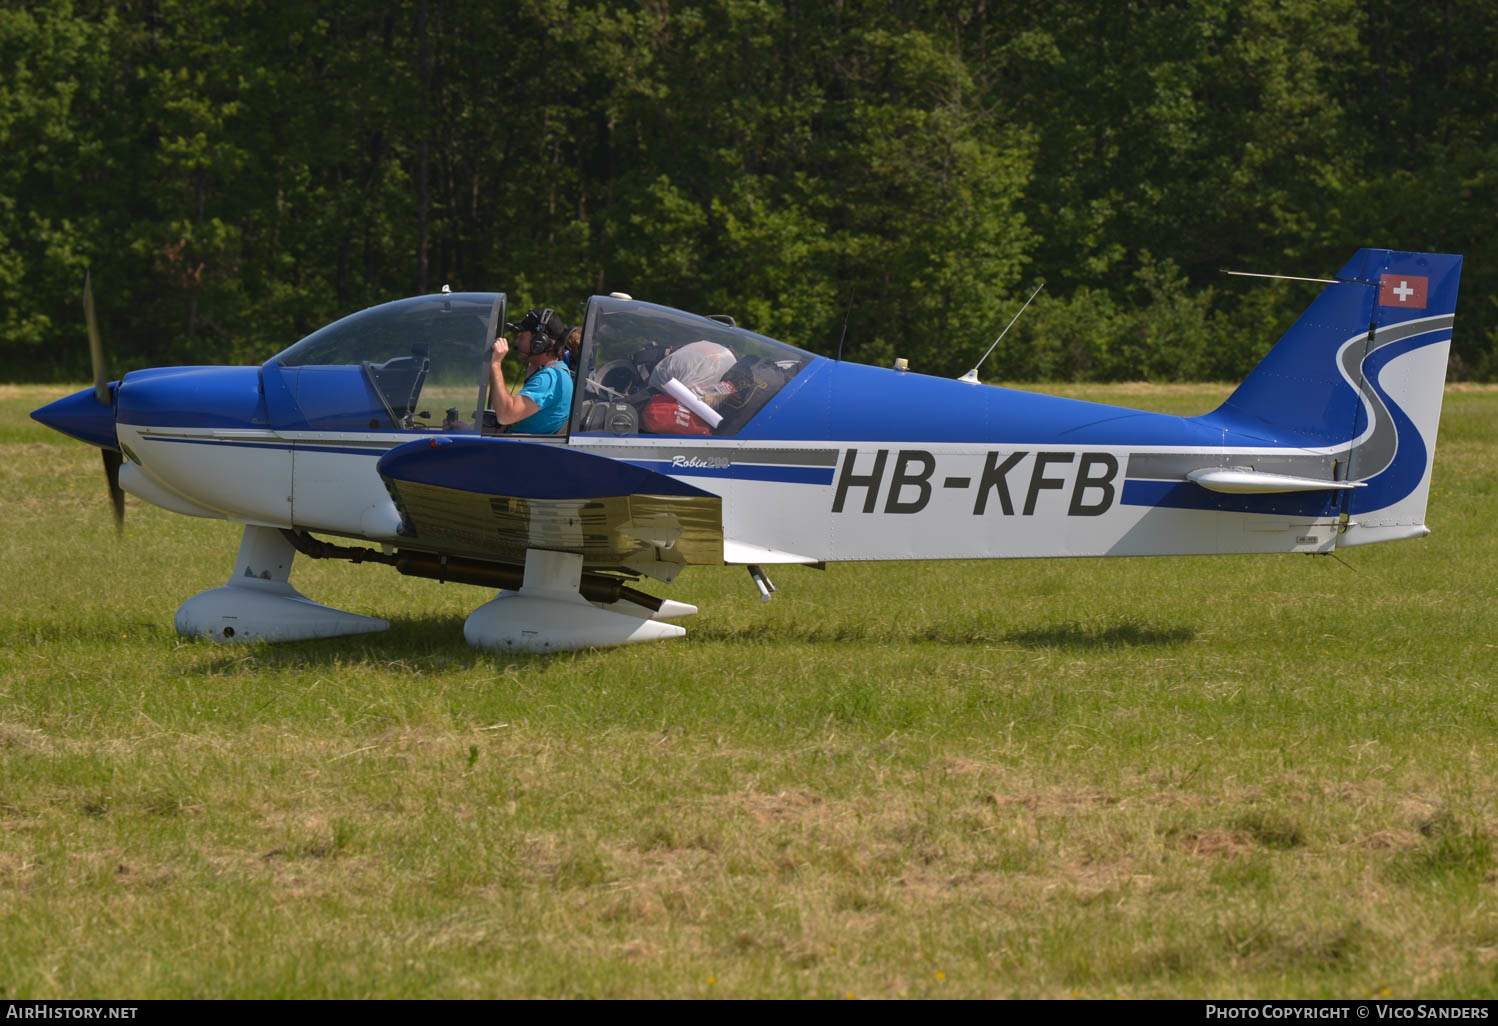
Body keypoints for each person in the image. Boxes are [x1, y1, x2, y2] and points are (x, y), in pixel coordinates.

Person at [489, 308, 573, 434]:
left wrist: (495, 364)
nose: (517, 341)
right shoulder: (554, 373)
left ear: (539, 343)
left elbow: (506, 415)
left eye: (522, 336)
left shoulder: (548, 379)